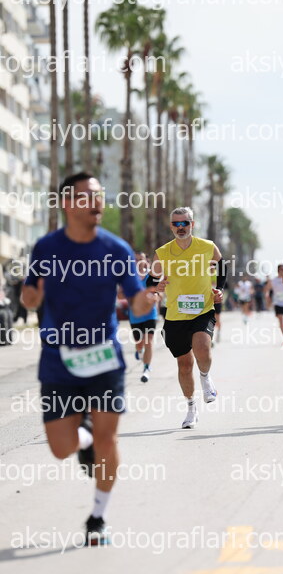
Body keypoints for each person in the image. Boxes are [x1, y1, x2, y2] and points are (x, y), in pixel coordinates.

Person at [21, 173, 158, 545]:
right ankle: (83, 438)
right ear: (67, 203)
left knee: (107, 439)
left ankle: (98, 517)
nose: (97, 202)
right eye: (87, 196)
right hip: (58, 359)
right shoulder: (47, 247)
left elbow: (135, 296)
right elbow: (29, 296)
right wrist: (32, 298)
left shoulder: (115, 248)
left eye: (100, 195)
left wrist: (144, 301)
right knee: (61, 448)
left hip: (103, 358)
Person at [148, 207, 227, 429]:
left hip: (203, 309)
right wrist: (157, 286)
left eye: (185, 223)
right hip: (175, 315)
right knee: (184, 365)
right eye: (176, 224)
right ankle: (191, 408)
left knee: (202, 348)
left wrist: (219, 289)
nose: (181, 227)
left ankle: (205, 377)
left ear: (192, 224)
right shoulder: (163, 252)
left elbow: (222, 266)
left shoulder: (207, 246)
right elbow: (150, 280)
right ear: (171, 226)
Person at [129, 251, 158, 382]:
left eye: (141, 259)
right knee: (139, 344)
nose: (138, 262)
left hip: (150, 315)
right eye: (135, 259)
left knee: (148, 341)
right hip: (135, 315)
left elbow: (158, 293)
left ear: (146, 261)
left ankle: (146, 368)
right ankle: (139, 350)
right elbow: (120, 295)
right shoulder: (130, 277)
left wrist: (154, 297)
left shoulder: (151, 276)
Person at [265, 265, 283, 346]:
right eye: (281, 269)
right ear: (278, 271)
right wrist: (267, 295)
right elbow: (267, 289)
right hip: (278, 303)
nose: (282, 271)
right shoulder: (273, 281)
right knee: (280, 319)